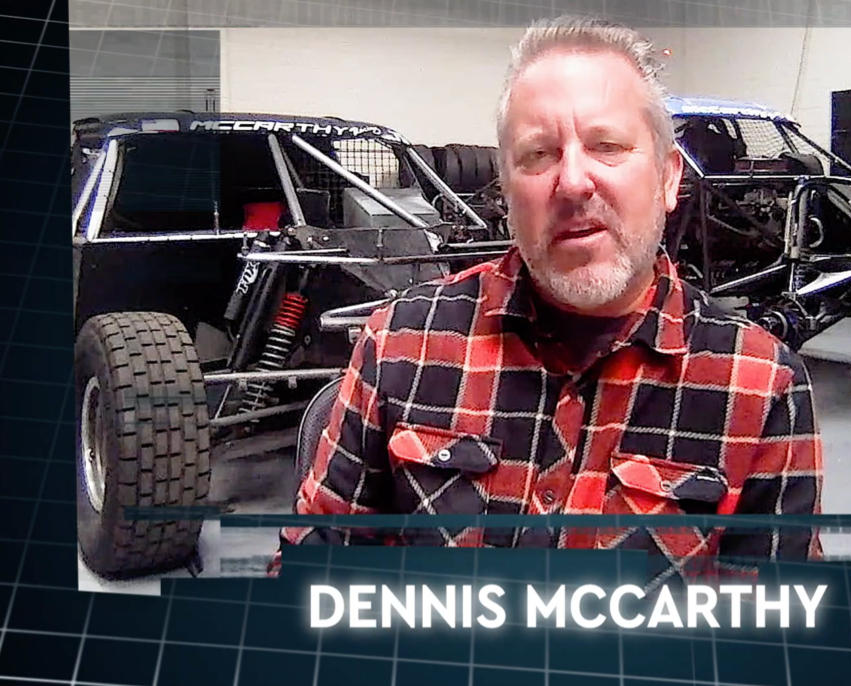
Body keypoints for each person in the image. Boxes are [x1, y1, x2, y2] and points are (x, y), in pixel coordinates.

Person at [271, 16, 823, 582]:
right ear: (507, 193)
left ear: (667, 178)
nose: (574, 182)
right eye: (539, 154)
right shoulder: (401, 345)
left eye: (607, 146)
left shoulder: (761, 386)